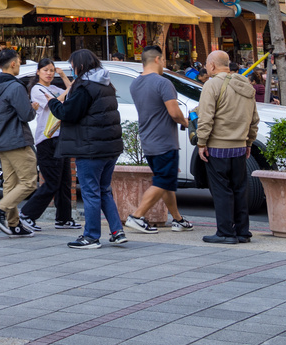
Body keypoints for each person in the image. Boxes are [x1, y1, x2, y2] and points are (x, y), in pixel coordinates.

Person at [50, 48, 125, 249]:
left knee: (91, 192)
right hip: (110, 147)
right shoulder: (106, 84)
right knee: (104, 190)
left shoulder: (85, 87)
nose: (72, 69)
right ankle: (117, 231)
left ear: (80, 66)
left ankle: (91, 236)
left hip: (90, 149)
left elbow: (69, 113)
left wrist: (52, 103)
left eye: (73, 65)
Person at [124, 46, 195, 234]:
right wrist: (186, 122)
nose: (165, 64)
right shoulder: (163, 83)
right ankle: (136, 217)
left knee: (165, 182)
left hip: (148, 140)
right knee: (163, 181)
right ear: (157, 60)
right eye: (163, 60)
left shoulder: (135, 84)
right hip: (164, 141)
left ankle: (177, 219)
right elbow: (174, 112)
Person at [196, 50, 260, 244]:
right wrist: (248, 142)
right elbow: (254, 119)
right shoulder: (246, 85)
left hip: (218, 146)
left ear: (213, 65)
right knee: (240, 189)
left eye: (207, 64)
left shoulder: (212, 84)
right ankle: (242, 232)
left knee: (222, 190)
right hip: (240, 146)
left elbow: (206, 117)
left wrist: (201, 142)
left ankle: (225, 232)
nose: (206, 68)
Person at [0, 49, 38, 236]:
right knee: (29, 182)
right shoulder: (15, 87)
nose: (20, 64)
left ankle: (14, 224)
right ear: (14, 63)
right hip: (16, 140)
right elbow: (26, 115)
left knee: (10, 183)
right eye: (20, 61)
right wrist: (33, 107)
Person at [20, 58, 77, 230]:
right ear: (38, 72)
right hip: (47, 139)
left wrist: (63, 75)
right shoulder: (37, 89)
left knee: (65, 181)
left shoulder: (52, 87)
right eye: (46, 70)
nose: (49, 73)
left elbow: (71, 92)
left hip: (60, 137)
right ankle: (27, 215)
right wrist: (66, 92)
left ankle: (64, 218)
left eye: (52, 70)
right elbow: (57, 102)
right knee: (52, 182)